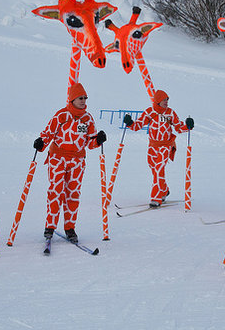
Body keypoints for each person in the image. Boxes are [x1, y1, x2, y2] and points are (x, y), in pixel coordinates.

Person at [33, 83, 106, 243]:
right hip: (58, 158)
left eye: (85, 98)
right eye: (80, 98)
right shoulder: (61, 115)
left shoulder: (87, 119)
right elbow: (48, 133)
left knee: (73, 193)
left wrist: (98, 140)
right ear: (72, 99)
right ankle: (50, 226)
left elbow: (90, 142)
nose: (83, 101)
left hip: (77, 161)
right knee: (56, 191)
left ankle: (70, 227)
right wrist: (41, 143)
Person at [123, 90, 194, 207]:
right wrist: (130, 123)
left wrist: (188, 125)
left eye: (167, 99)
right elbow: (137, 126)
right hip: (152, 146)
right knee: (154, 168)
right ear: (157, 101)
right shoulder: (149, 112)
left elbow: (179, 127)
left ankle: (156, 198)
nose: (166, 102)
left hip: (166, 145)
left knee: (158, 168)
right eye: (164, 100)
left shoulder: (170, 113)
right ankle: (164, 190)